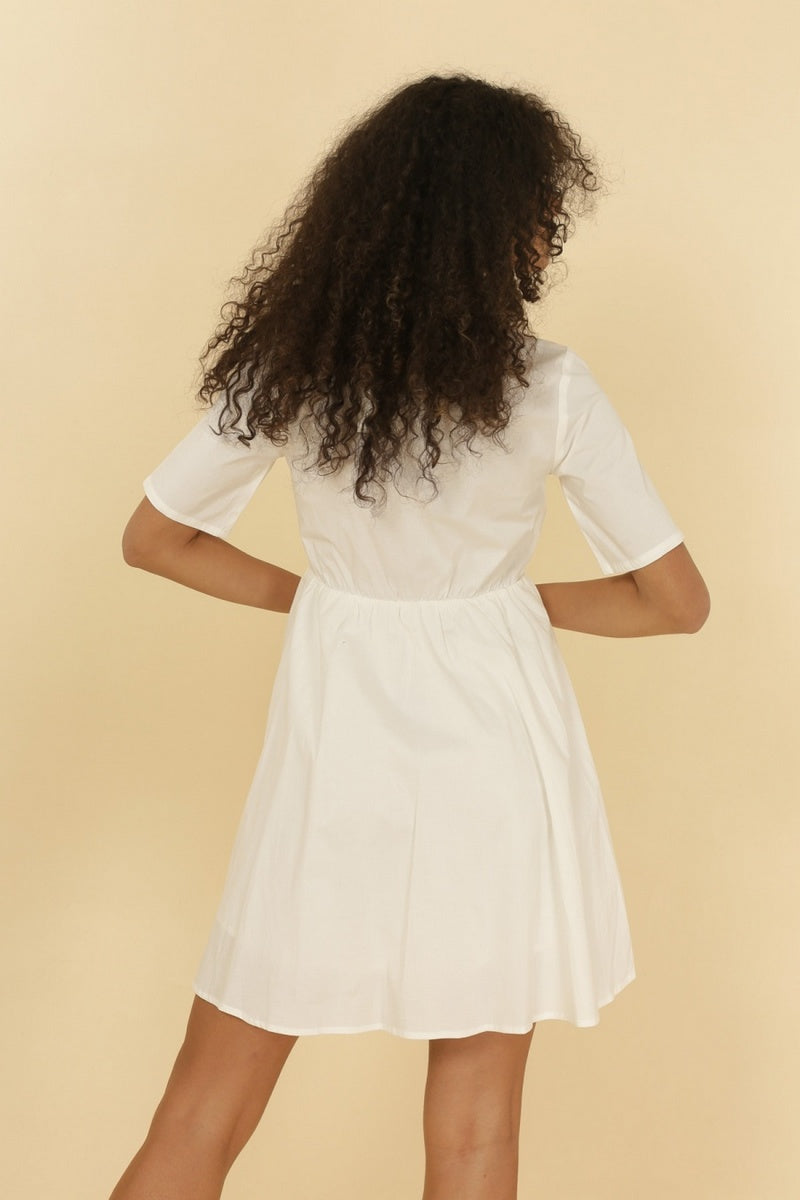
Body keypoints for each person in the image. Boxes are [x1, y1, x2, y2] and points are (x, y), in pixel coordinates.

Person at [112, 72, 710, 1200]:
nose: (548, 234)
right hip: (499, 754)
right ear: (497, 224)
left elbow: (156, 538)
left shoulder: (292, 370)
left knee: (200, 1111)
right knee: (476, 1135)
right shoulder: (550, 387)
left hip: (333, 750)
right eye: (538, 210)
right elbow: (675, 601)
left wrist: (324, 597)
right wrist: (504, 604)